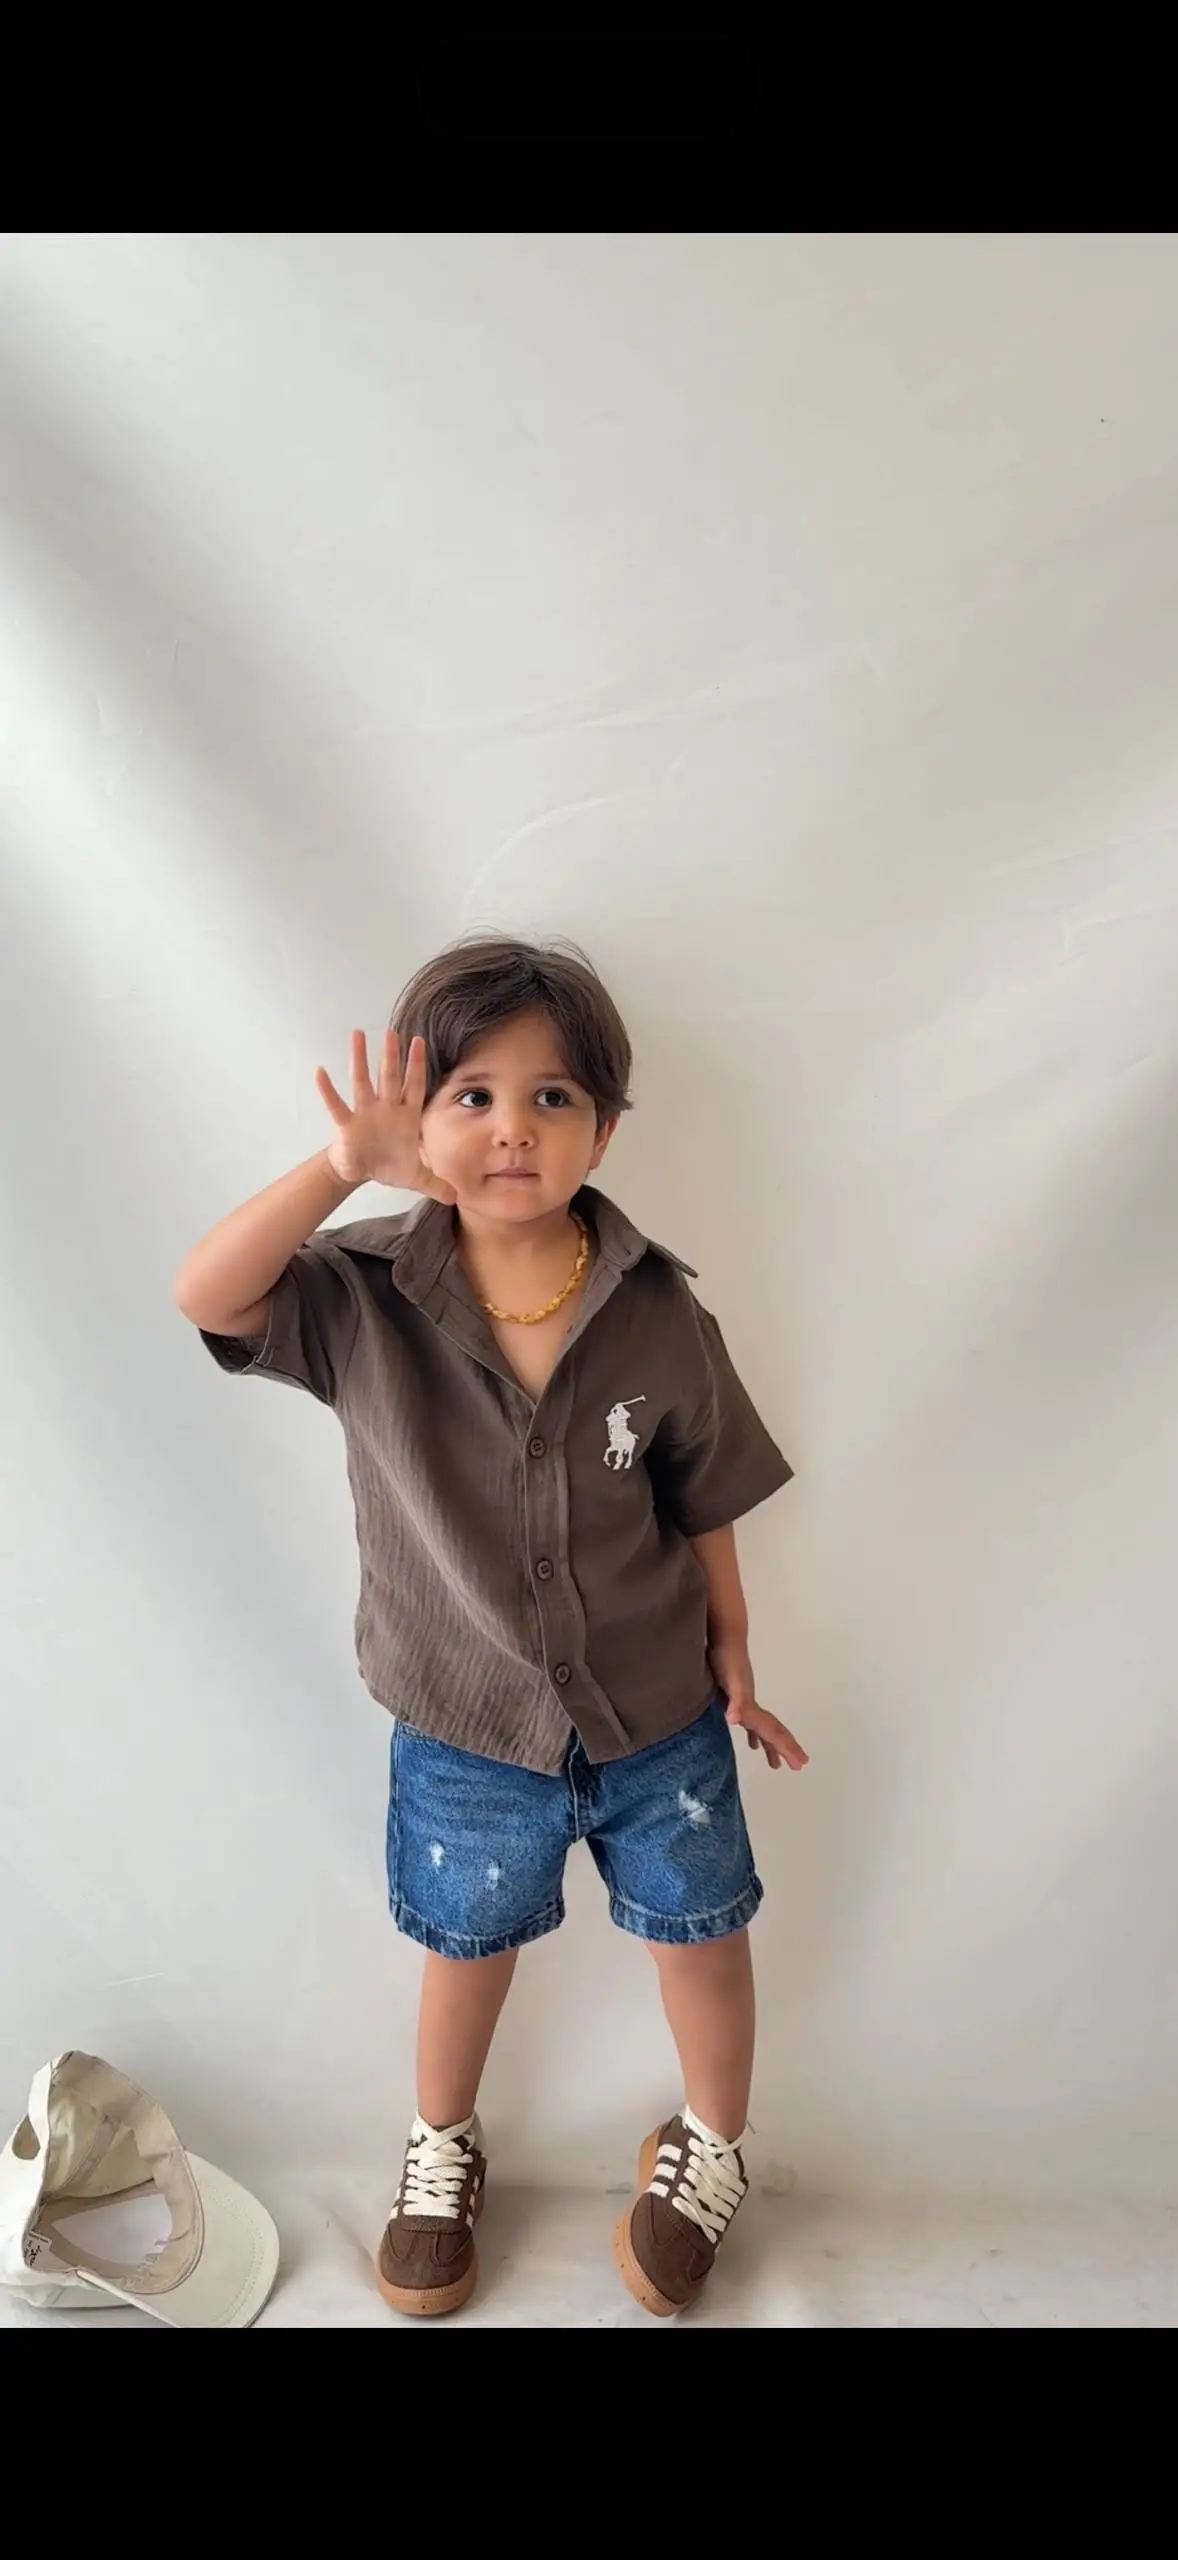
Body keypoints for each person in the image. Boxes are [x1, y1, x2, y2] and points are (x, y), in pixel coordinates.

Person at [174, 935, 806, 2319]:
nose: (512, 1127)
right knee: (464, 1947)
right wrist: (341, 1168)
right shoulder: (360, 1295)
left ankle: (711, 2143)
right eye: (471, 1094)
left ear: (606, 1128)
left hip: (657, 1712)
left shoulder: (657, 1309)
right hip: (464, 1719)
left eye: (551, 1097)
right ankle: (441, 2145)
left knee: (702, 1932)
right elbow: (207, 1294)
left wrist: (735, 1650)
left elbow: (704, 1493)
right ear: (418, 1116)